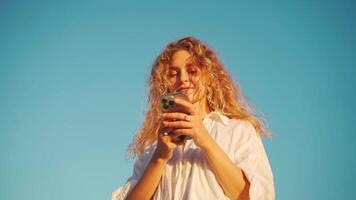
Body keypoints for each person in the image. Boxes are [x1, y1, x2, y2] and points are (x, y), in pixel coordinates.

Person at [112, 36, 275, 200]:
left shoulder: (238, 131)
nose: (182, 78)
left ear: (209, 77)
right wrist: (159, 158)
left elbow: (254, 196)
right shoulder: (152, 147)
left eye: (192, 71)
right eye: (173, 74)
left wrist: (204, 139)